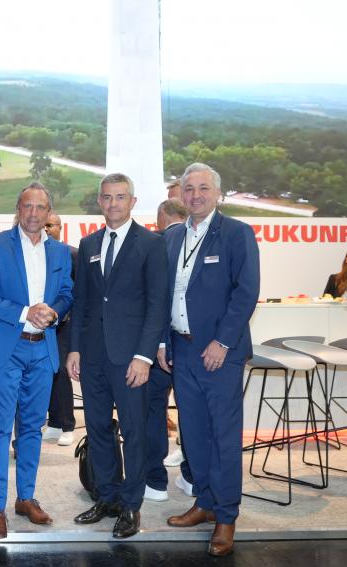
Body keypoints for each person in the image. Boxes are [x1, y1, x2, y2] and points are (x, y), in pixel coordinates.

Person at [159, 162, 259, 557]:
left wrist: (223, 342)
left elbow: (246, 292)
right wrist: (162, 343)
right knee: (194, 434)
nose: (195, 195)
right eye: (189, 189)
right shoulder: (172, 237)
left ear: (217, 193)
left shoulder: (236, 233)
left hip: (219, 353)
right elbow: (163, 295)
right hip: (181, 350)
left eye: (203, 188)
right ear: (180, 195)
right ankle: (204, 501)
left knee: (223, 436)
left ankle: (226, 515)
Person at [68, 173, 169, 539]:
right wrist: (75, 348)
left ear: (132, 201)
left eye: (120, 197)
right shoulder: (89, 243)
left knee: (134, 431)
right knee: (97, 429)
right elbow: (81, 302)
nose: (113, 203)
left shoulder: (151, 243)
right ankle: (107, 497)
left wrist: (144, 356)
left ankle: (130, 505)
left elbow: (158, 305)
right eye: (107, 197)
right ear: (100, 201)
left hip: (131, 359)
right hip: (93, 356)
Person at [0, 183, 73, 539]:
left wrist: (53, 312)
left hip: (43, 349)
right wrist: (24, 312)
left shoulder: (60, 251)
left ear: (49, 213)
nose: (33, 213)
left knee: (32, 428)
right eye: (27, 206)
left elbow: (66, 293)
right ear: (18, 208)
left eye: (40, 207)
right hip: (6, 348)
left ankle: (26, 498)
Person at [144, 196, 191, 504]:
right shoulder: (200, 241)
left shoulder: (155, 242)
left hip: (157, 344)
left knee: (153, 411)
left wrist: (157, 342)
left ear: (162, 216)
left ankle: (155, 482)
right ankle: (191, 477)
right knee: (191, 412)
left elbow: (151, 299)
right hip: (192, 344)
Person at [42, 211, 78, 446]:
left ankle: (67, 425)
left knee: (62, 372)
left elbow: (78, 291)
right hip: (39, 324)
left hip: (65, 324)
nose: (46, 228)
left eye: (51, 225)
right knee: (46, 372)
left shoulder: (72, 253)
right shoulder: (34, 253)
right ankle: (54, 423)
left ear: (60, 228)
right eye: (44, 225)